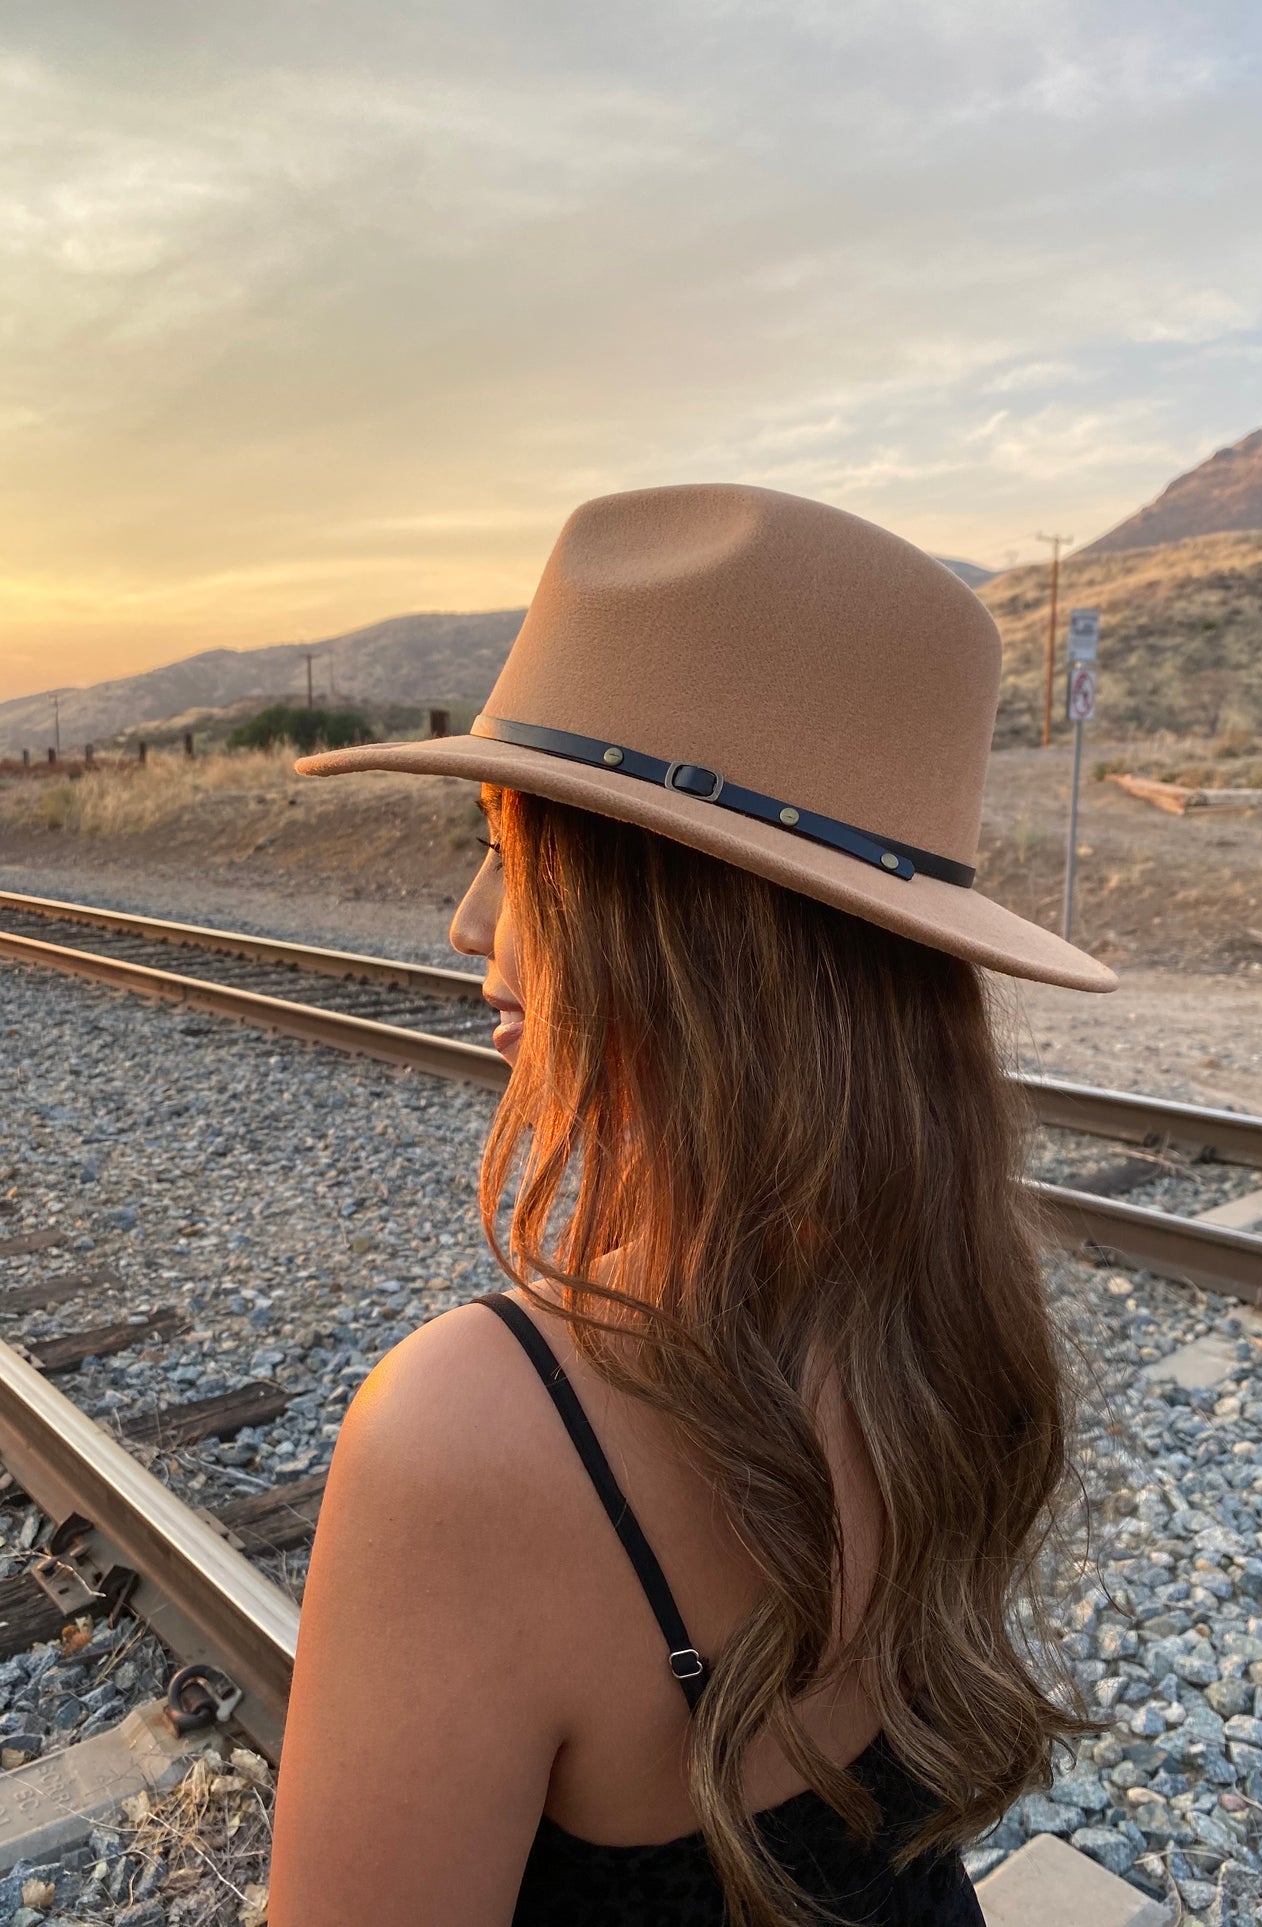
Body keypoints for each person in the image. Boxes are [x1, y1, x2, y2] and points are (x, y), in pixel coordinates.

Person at [268, 483, 1117, 1927]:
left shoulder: (472, 1432)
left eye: (514, 851)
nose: (469, 927)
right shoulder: (948, 1309)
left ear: (682, 930)